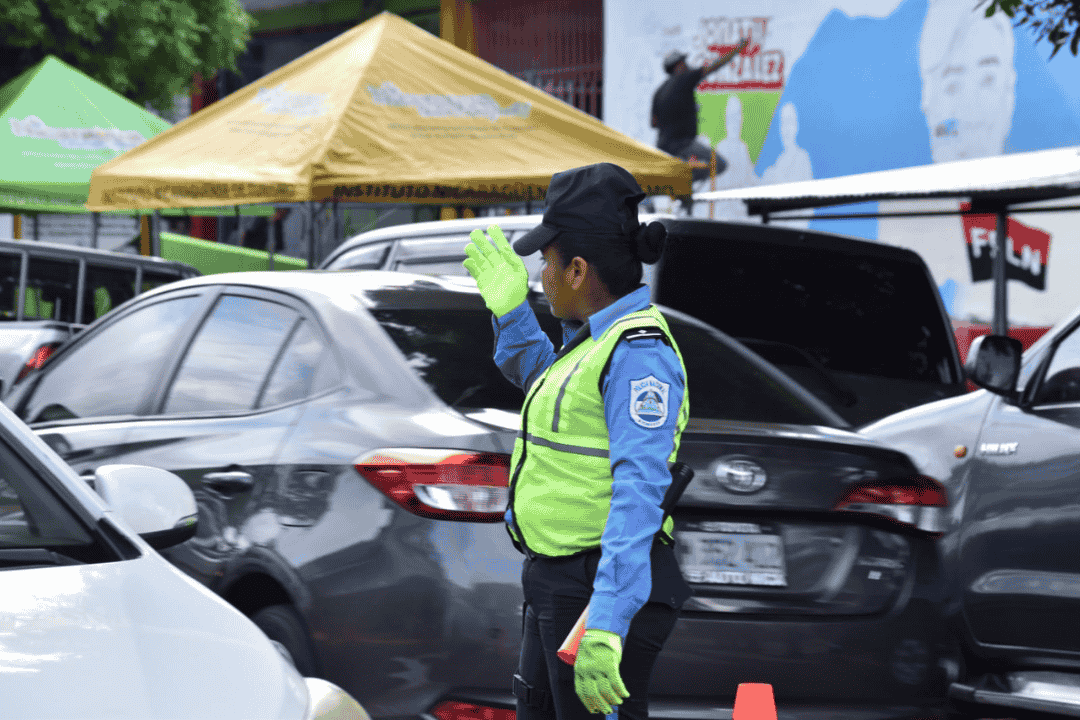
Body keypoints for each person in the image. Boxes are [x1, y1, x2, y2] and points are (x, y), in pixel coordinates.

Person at [462, 163, 692, 720]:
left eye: (547, 261)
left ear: (578, 269)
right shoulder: (591, 343)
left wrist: (607, 623)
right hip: (560, 580)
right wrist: (510, 312)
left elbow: (638, 492)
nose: (542, 274)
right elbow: (551, 390)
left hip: (596, 587)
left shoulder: (637, 354)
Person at [651, 37, 750, 183]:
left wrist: (677, 113)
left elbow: (654, 123)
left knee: (690, 169)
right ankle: (680, 183)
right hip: (683, 145)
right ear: (679, 65)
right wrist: (737, 49)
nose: (687, 65)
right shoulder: (684, 78)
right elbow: (713, 67)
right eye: (684, 62)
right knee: (719, 165)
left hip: (663, 147)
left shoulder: (659, 92)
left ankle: (681, 187)